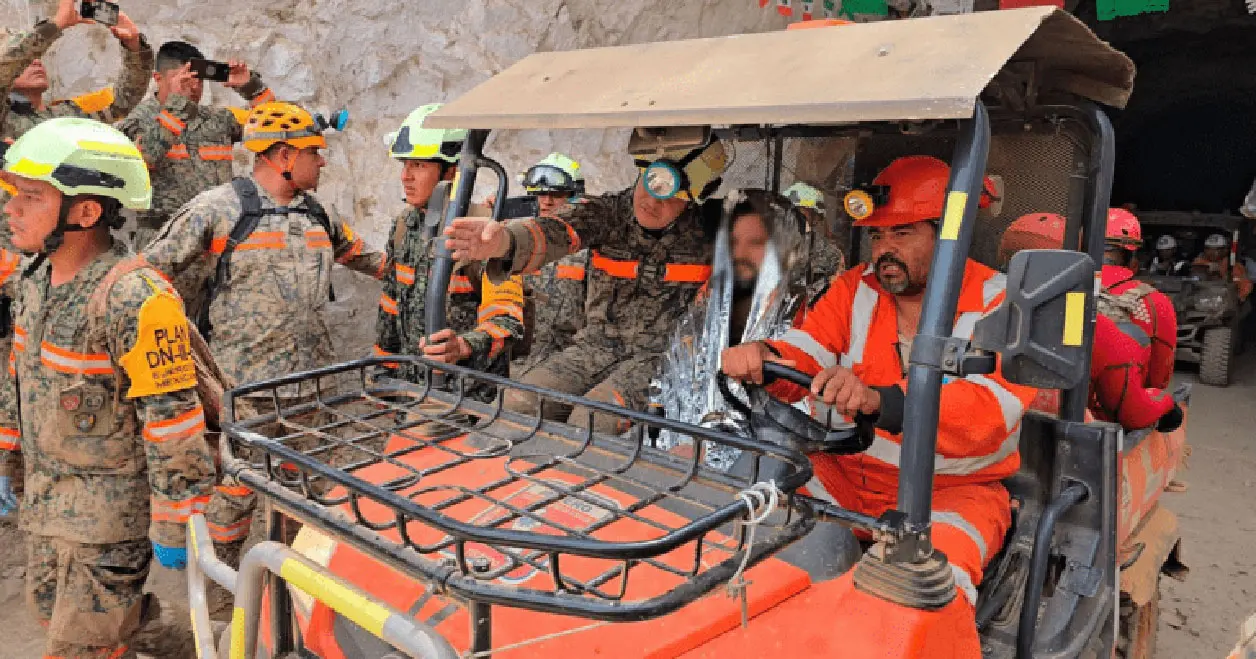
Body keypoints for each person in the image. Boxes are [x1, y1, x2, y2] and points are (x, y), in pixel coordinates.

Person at [720, 155, 1036, 613]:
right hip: (846, 474)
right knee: (737, 520)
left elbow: (987, 413)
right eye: (877, 235)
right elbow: (807, 347)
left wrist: (873, 400)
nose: (884, 249)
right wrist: (766, 356)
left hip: (949, 495)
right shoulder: (855, 287)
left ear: (950, 237)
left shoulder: (1001, 304)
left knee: (926, 596)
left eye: (902, 233)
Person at [0, 117, 214, 658]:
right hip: (47, 503)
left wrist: (176, 514)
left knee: (76, 647)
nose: (11, 209)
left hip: (108, 519)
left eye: (30, 197)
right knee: (50, 613)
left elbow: (173, 418)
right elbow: (19, 375)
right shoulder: (35, 278)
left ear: (86, 212)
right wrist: (5, 455)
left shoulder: (135, 298)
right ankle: (167, 640)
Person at [140, 101, 386, 571]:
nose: (324, 160)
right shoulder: (217, 209)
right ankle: (219, 592)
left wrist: (433, 270)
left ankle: (294, 584)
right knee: (234, 494)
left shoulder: (319, 215)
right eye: (315, 151)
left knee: (308, 491)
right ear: (282, 156)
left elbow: (366, 258)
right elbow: (148, 274)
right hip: (245, 389)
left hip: (312, 388)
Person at [444, 134, 728, 433]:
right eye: (650, 182)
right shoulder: (609, 213)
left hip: (661, 359)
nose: (652, 201)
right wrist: (503, 241)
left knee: (593, 422)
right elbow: (556, 230)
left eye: (670, 195)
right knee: (515, 404)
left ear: (693, 198)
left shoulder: (712, 231)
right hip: (594, 347)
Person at [374, 103, 523, 394]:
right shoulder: (404, 226)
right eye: (405, 164)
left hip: (469, 398)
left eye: (419, 165)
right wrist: (384, 372)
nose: (406, 176)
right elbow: (391, 305)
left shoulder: (482, 231)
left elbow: (507, 319)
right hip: (412, 390)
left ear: (451, 172)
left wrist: (464, 345)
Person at [1000, 212, 1183, 432]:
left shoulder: (973, 299)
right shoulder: (1097, 322)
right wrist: (1164, 401)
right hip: (1071, 433)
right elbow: (1141, 403)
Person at [117, 40, 275, 249]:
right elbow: (143, 159)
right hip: (165, 241)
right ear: (158, 79)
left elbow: (273, 126)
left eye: (198, 79)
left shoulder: (218, 119)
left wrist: (250, 87)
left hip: (219, 239)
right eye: (183, 79)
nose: (193, 86)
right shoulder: (138, 121)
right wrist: (177, 108)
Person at [2, 0, 152, 141]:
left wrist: (134, 46)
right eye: (25, 61)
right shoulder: (5, 120)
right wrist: (55, 25)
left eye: (38, 56)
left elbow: (121, 102)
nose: (36, 62)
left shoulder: (67, 115)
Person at [514, 153, 589, 370]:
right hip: (521, 360)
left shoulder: (587, 248)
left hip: (567, 362)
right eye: (541, 194)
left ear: (574, 196)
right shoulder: (522, 240)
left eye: (557, 195)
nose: (547, 201)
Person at [1102, 208, 1180, 389]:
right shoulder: (1155, 303)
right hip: (1120, 407)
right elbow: (1158, 379)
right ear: (1133, 258)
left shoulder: (1061, 291)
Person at [784, 181, 845, 304]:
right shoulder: (765, 245)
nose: (792, 217)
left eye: (800, 212)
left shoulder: (831, 255)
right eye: (789, 211)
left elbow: (836, 296)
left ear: (815, 217)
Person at [1192, 233, 1253, 301]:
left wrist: (1238, 297)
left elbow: (1245, 285)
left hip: (1223, 301)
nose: (1211, 252)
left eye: (1216, 249)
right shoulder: (1199, 262)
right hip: (1200, 298)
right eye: (1208, 249)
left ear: (1225, 250)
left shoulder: (1233, 266)